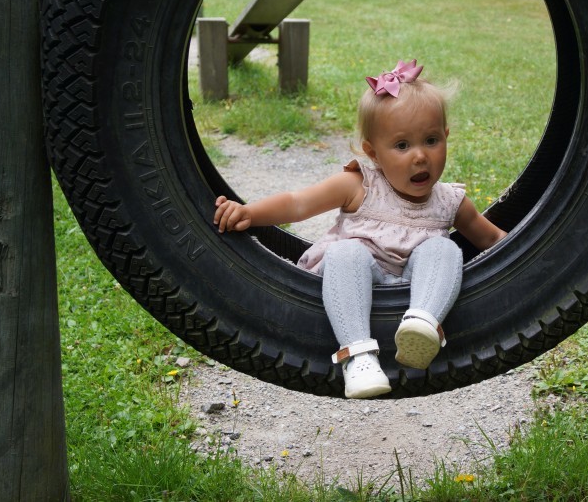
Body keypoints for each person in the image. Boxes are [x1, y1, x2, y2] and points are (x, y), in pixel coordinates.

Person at [213, 59, 507, 398]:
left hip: (412, 290)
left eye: (431, 140)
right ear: (374, 153)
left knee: (443, 250)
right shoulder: (359, 185)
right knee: (346, 252)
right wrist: (249, 213)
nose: (420, 157)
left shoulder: (449, 201)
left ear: (446, 137)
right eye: (402, 145)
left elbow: (492, 240)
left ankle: (423, 326)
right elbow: (298, 203)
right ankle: (359, 357)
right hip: (353, 281)